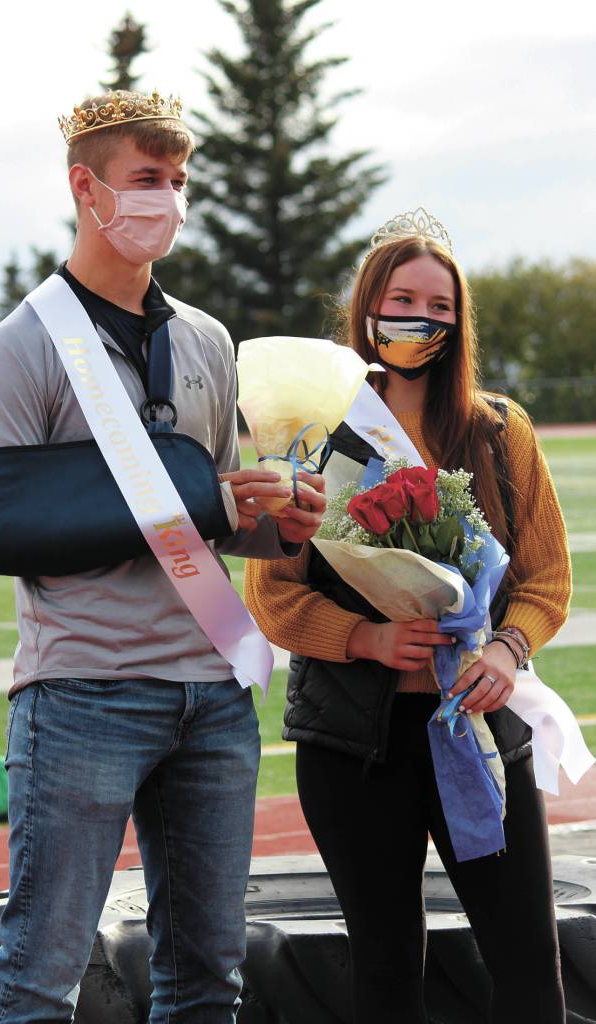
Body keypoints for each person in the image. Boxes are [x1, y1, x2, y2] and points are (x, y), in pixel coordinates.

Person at [0, 89, 326, 1024]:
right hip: (83, 692)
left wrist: (278, 522)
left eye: (176, 180)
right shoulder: (24, 344)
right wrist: (206, 500)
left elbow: (216, 516)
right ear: (87, 189)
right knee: (38, 975)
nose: (165, 199)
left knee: (209, 978)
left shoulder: (205, 338)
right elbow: (0, 530)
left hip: (212, 696)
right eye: (144, 181)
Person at [245, 208, 572, 1024]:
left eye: (438, 306)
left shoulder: (499, 432)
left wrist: (503, 649)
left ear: (457, 321)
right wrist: (365, 636)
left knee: (530, 974)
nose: (419, 319)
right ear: (365, 308)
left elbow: (545, 581)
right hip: (355, 744)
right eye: (401, 299)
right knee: (386, 975)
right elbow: (273, 593)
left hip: (479, 734)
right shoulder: (314, 434)